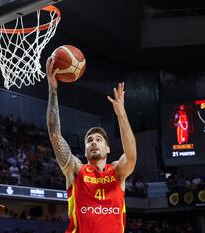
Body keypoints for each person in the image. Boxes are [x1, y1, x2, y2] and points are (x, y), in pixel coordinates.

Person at [46, 57, 137, 233]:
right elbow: (55, 135)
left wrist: (121, 115)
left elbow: (131, 155)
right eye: (89, 140)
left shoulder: (117, 172)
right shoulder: (76, 169)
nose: (93, 142)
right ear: (86, 150)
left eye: (98, 139)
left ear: (108, 149)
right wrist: (53, 91)